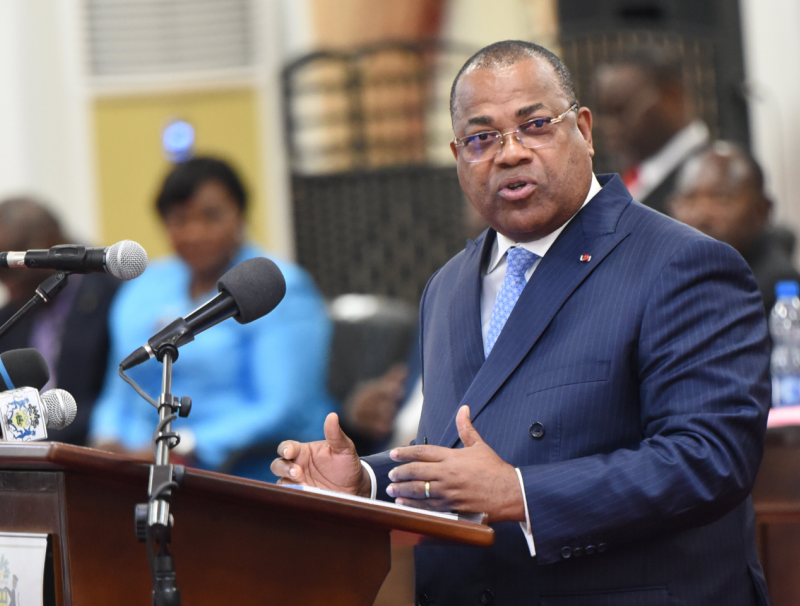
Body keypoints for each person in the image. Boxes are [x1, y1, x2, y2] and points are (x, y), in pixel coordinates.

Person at [271, 41, 771, 605]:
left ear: (582, 129)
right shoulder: (448, 286)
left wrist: (522, 492)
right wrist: (364, 481)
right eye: (482, 138)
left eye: (534, 125)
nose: (509, 153)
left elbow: (710, 458)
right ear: (458, 155)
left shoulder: (680, 263)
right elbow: (458, 452)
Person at [89, 157, 335, 481]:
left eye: (211, 216)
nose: (195, 231)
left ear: (240, 215)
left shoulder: (273, 286)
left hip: (254, 474)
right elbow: (119, 386)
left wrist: (180, 447)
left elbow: (282, 407)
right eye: (179, 219)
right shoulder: (145, 288)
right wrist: (106, 442)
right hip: (141, 467)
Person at [0, 197, 119, 445]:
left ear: (51, 242)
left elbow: (114, 398)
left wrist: (37, 438)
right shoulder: (10, 314)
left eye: (10, 265)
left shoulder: (113, 296)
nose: (5, 279)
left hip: (94, 452)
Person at [668, 141, 800, 313]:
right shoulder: (672, 275)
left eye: (722, 199)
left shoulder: (771, 290)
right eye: (689, 200)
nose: (701, 215)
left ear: (761, 209)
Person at [594, 46, 710, 215]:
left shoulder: (710, 182)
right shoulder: (631, 178)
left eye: (621, 110)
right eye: (605, 114)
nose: (610, 127)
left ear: (671, 97)